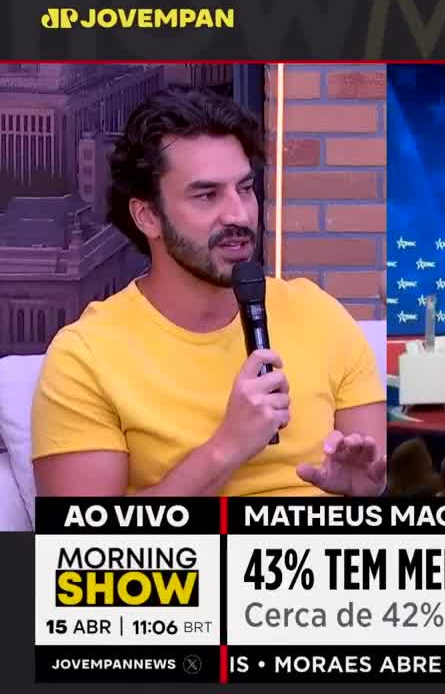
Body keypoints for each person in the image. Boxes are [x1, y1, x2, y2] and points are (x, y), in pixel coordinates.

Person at [30, 86, 386, 497]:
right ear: (147, 215)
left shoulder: (317, 313)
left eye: (245, 188)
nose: (238, 213)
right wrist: (226, 448)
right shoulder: (85, 357)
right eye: (206, 195)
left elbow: (376, 475)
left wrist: (364, 494)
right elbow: (79, 547)